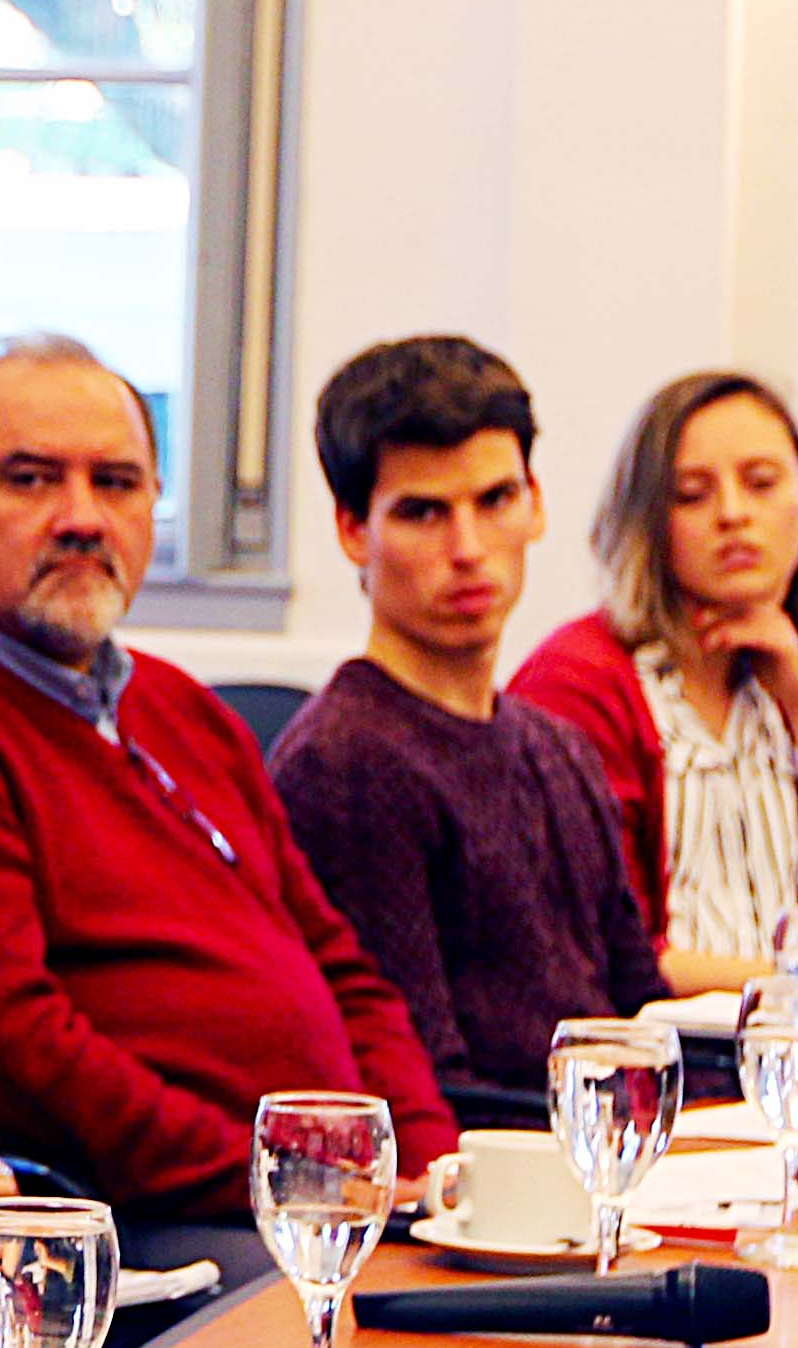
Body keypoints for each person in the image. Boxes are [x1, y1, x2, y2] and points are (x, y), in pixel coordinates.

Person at [0, 336, 453, 1224]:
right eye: (30, 479)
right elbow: (23, 1042)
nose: (82, 517)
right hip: (151, 1221)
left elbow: (340, 968)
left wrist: (430, 1164)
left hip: (322, 1205)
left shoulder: (181, 708)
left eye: (117, 482)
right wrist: (287, 1182)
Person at [270, 333, 666, 1094]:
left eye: (495, 501)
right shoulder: (345, 766)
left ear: (537, 502)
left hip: (613, 1149)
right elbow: (420, 1085)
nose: (468, 548)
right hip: (489, 1183)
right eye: (422, 513)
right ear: (355, 530)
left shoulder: (560, 747)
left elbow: (641, 1012)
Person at [507, 370, 798, 1007]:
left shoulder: (770, 674)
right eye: (693, 495)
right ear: (645, 521)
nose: (733, 515)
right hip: (672, 1061)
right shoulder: (581, 682)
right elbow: (620, 957)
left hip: (791, 1053)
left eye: (761, 484)